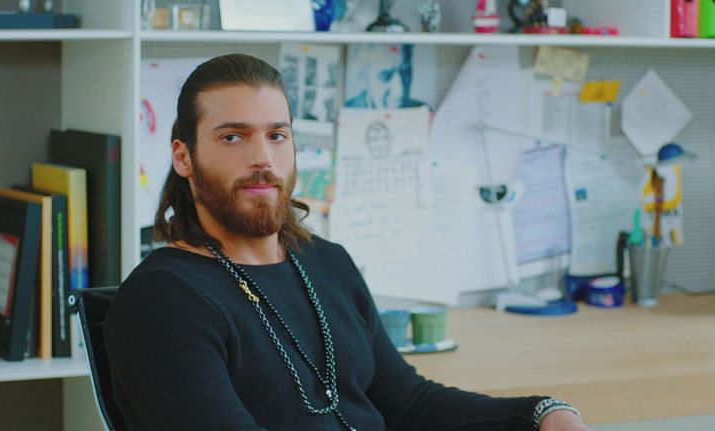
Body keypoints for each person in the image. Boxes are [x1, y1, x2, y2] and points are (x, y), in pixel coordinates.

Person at [104, 53, 590, 431]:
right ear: (184, 157)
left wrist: (541, 414)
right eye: (233, 137)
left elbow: (408, 403)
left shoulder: (326, 262)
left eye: (277, 135)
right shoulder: (163, 300)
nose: (262, 159)